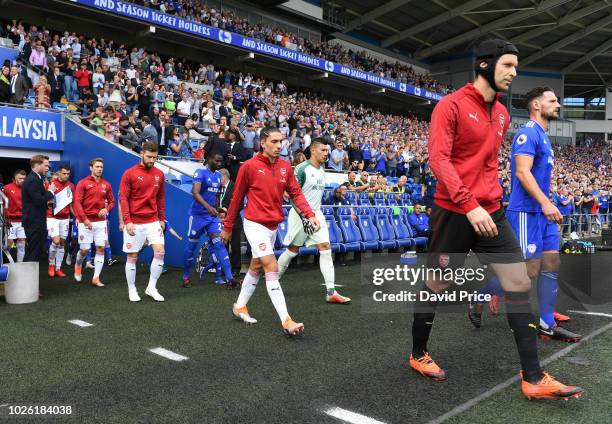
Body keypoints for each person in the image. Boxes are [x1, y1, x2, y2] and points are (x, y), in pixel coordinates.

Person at [410, 39, 582, 400]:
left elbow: (488, 164)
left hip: (491, 211)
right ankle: (418, 353)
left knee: (519, 282)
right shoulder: (450, 105)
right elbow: (439, 160)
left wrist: (487, 201)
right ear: (486, 65)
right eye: (508, 66)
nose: (514, 73)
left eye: (516, 67)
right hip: (455, 212)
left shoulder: (503, 114)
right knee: (437, 286)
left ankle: (533, 378)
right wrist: (468, 203)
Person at [470, 87, 581, 343]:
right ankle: (481, 295)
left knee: (552, 263)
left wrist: (549, 204)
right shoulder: (527, 133)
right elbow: (522, 172)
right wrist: (545, 203)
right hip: (526, 212)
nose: (558, 105)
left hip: (543, 212)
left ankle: (546, 324)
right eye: (552, 100)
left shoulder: (543, 136)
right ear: (536, 105)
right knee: (528, 271)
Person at [221, 127, 319, 335]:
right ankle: (286, 320)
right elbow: (236, 199)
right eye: (274, 141)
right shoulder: (248, 167)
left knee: (256, 266)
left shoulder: (285, 167)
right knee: (270, 265)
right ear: (262, 142)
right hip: (254, 224)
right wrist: (228, 227)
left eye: (281, 141)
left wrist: (310, 214)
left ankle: (239, 306)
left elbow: (296, 194)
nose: (279, 145)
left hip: (273, 226)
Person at [277, 138, 351, 304]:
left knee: (325, 248)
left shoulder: (322, 169)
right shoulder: (302, 169)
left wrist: (312, 215)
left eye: (327, 151)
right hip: (300, 215)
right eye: (323, 150)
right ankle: (273, 282)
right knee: (292, 251)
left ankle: (331, 292)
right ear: (313, 150)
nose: (327, 154)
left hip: (317, 214)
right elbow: (293, 196)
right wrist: (304, 216)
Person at [182, 154, 240, 288]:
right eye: (217, 160)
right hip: (197, 216)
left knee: (219, 244)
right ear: (209, 160)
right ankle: (185, 275)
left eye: (221, 161)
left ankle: (230, 278)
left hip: (212, 218)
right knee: (191, 247)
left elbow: (216, 195)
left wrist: (218, 209)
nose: (219, 163)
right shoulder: (200, 172)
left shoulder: (219, 175)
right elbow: (195, 192)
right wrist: (208, 207)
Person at [120, 141, 166, 302]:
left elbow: (160, 197)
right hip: (134, 221)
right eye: (149, 157)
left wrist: (161, 218)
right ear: (142, 154)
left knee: (160, 252)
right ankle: (132, 289)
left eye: (155, 157)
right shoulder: (129, 173)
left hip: (153, 220)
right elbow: (123, 198)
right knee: (132, 256)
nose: (152, 160)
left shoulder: (159, 174)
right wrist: (127, 221)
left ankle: (151, 287)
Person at [73, 158, 114, 286]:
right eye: (97, 166)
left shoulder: (106, 184)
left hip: (101, 222)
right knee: (84, 250)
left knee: (100, 248)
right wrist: (84, 219)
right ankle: (78, 265)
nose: (100, 169)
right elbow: (77, 203)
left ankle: (96, 278)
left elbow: (112, 201)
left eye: (101, 166)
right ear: (91, 168)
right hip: (85, 221)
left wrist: (106, 209)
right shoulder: (83, 183)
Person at [22, 155, 56, 262]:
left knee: (34, 251)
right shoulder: (33, 179)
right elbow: (38, 200)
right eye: (45, 165)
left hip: (36, 221)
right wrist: (51, 192)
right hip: (34, 222)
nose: (48, 168)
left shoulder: (36, 178)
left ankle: (28, 276)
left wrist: (47, 203)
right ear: (37, 165)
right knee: (33, 252)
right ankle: (28, 277)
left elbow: (37, 200)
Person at [45, 165, 75, 278]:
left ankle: (58, 268)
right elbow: (44, 199)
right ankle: (51, 265)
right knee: (56, 241)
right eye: (64, 173)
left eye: (68, 174)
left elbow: (72, 203)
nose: (66, 176)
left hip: (65, 218)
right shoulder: (51, 184)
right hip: (52, 218)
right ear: (59, 173)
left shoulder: (71, 186)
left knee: (62, 243)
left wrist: (76, 216)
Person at [2, 170, 27, 262]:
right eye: (20, 178)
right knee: (9, 244)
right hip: (10, 221)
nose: (22, 180)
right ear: (15, 178)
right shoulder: (7, 188)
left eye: (24, 178)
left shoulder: (26, 188)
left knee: (21, 243)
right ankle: (4, 262)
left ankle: (19, 264)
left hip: (22, 220)